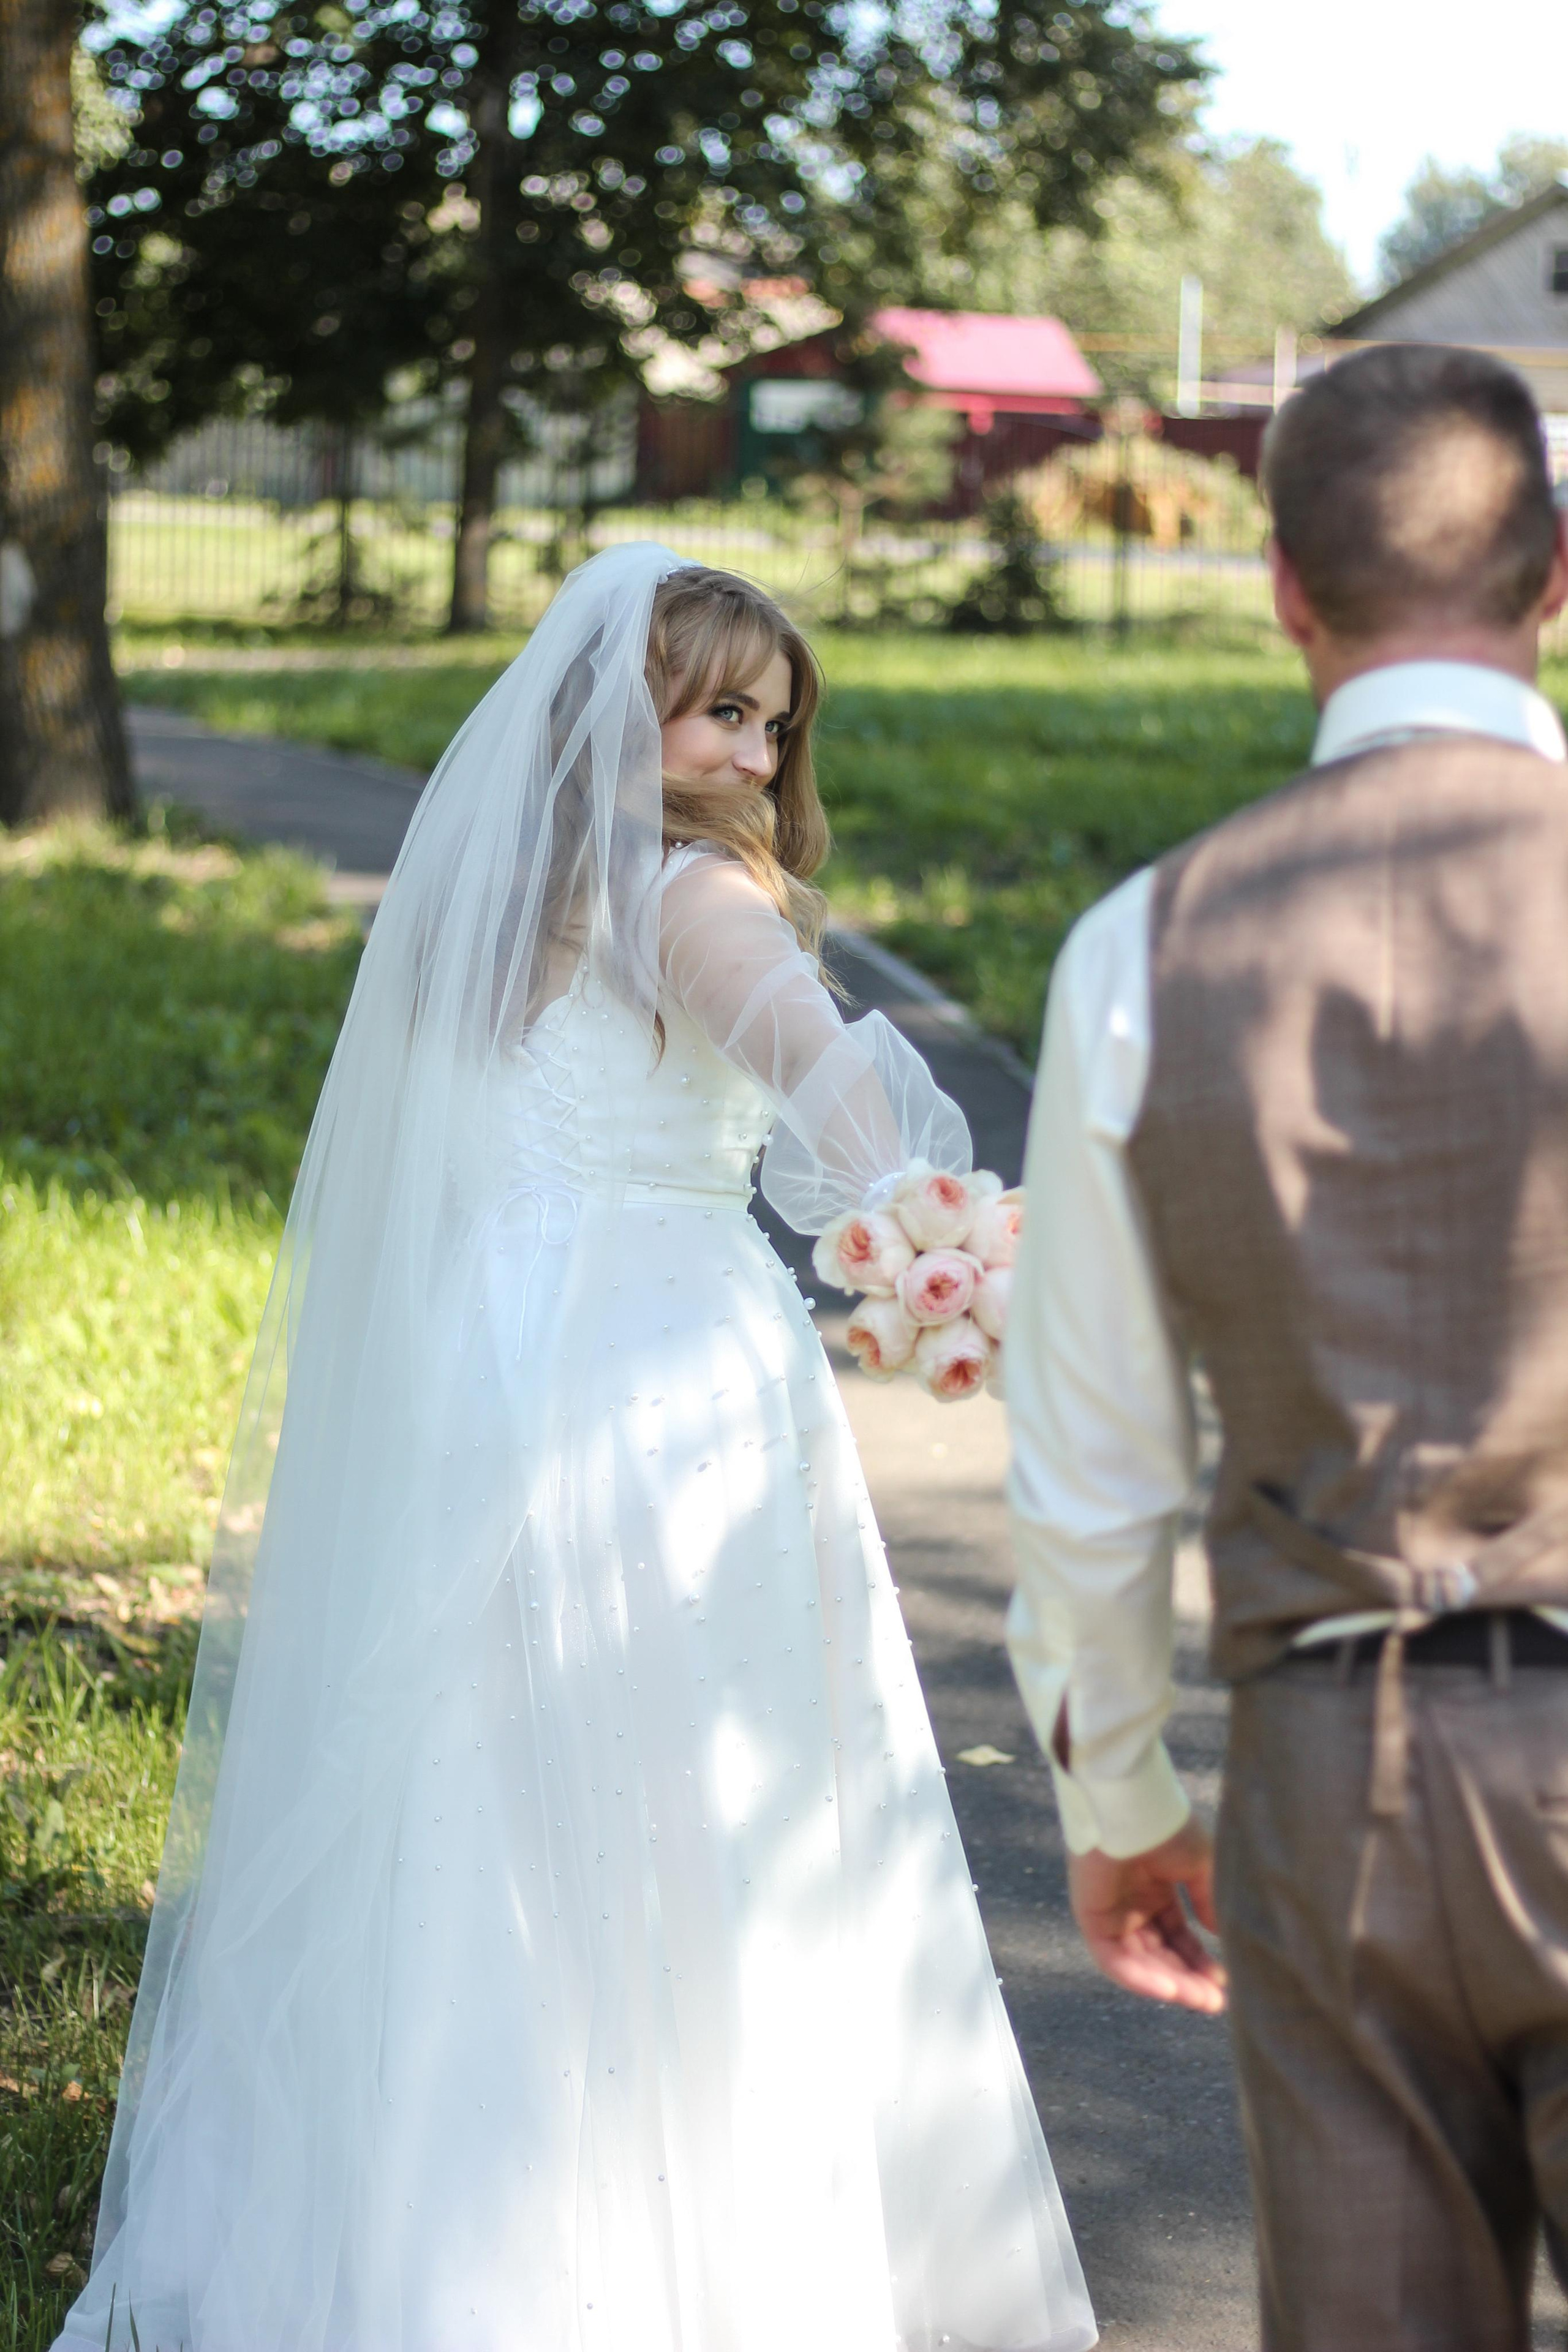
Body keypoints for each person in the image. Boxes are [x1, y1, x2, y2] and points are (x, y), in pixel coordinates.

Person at [58, 548, 1095, 2352]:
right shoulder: (701, 901)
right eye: (723, 712)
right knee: (686, 1781)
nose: (759, 759)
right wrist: (942, 1246)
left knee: (476, 1769)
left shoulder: (495, 903)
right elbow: (845, 1098)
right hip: (663, 1373)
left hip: (492, 1350)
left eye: (775, 724)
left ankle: (426, 2224)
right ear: (627, 712)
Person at [1004, 343, 1568, 2350]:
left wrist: (1119, 1793)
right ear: (1557, 579)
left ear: (1283, 591)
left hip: (1337, 1776)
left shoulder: (1145, 946)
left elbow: (1092, 1464)